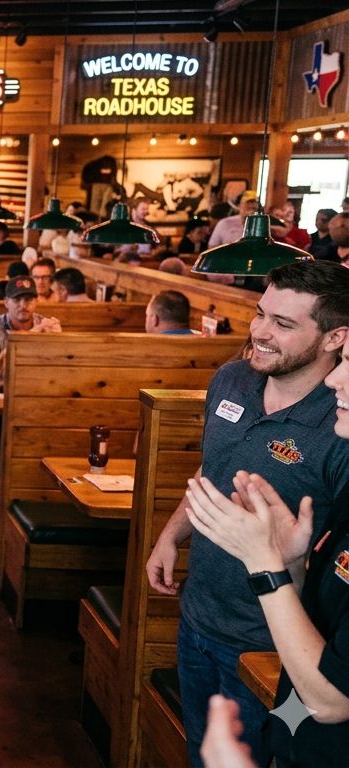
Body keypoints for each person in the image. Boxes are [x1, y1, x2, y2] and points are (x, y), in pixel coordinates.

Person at [144, 260, 349, 766]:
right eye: (261, 314)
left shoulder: (339, 426)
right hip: (196, 616)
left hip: (271, 655)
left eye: (282, 324)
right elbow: (213, 470)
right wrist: (172, 534)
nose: (258, 331)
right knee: (204, 756)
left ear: (333, 338)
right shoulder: (232, 380)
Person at [182, 340, 349, 767]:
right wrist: (292, 562)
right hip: (299, 731)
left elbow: (332, 699)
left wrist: (264, 562)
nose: (334, 380)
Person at [0, 277, 61, 525]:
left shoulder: (49, 326)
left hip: (38, 400)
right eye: (18, 300)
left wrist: (56, 340)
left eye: (29, 299)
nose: (24, 305)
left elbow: (59, 370)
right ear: (6, 302)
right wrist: (28, 338)